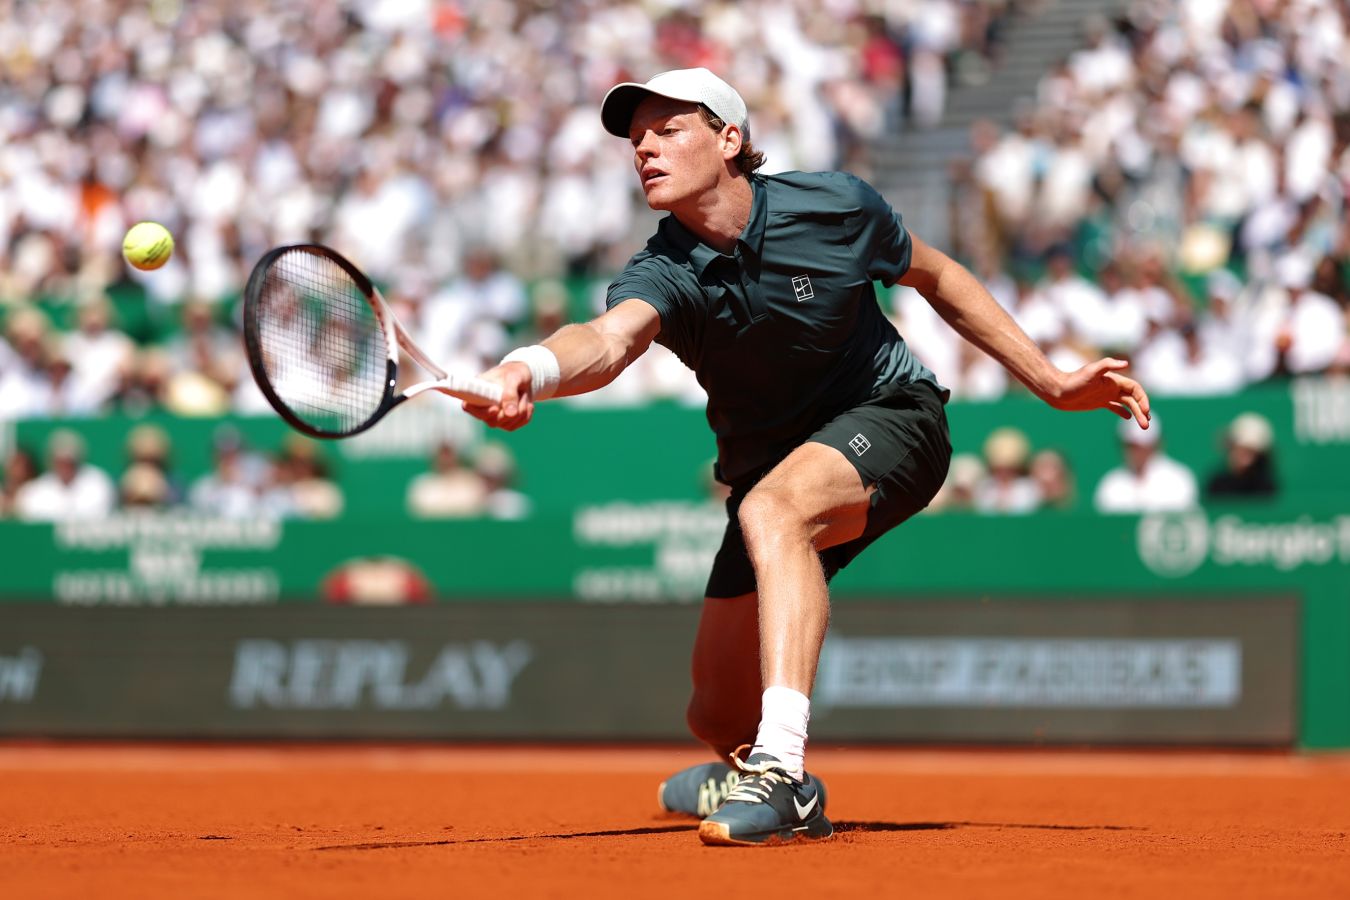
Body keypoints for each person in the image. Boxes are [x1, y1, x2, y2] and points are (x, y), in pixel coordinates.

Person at [462, 68, 1151, 847]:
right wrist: (528, 368)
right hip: (770, 472)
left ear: (729, 139)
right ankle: (748, 767)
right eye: (636, 138)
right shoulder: (663, 268)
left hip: (894, 419)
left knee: (775, 510)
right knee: (713, 714)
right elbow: (607, 340)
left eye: (668, 129)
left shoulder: (834, 207)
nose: (645, 148)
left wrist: (1050, 381)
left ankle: (781, 772)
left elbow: (938, 274)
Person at [1093, 416, 1197, 514]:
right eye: (1130, 445)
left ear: (1156, 443)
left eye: (1142, 445)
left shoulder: (1179, 480)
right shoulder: (1111, 484)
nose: (1136, 452)